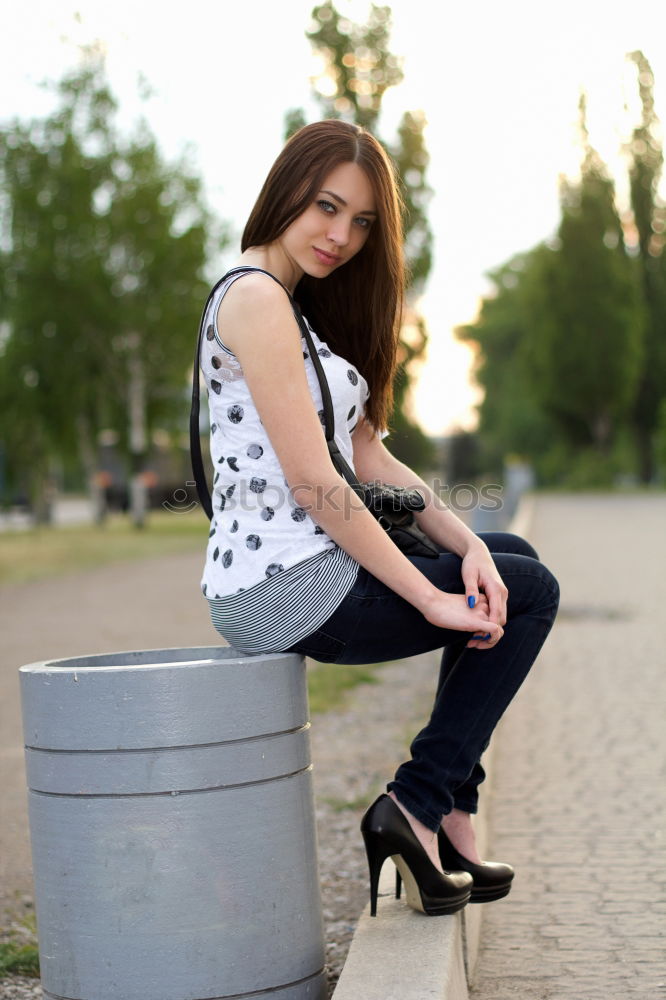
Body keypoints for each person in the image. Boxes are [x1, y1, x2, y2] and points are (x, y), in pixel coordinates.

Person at [198, 119, 560, 918]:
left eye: (362, 222)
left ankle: (447, 812)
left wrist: (465, 546)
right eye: (327, 207)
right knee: (531, 593)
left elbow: (367, 457)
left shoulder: (296, 308)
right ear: (285, 191)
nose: (341, 236)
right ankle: (421, 807)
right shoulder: (255, 298)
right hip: (284, 586)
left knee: (508, 559)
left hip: (311, 570)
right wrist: (431, 599)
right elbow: (313, 481)